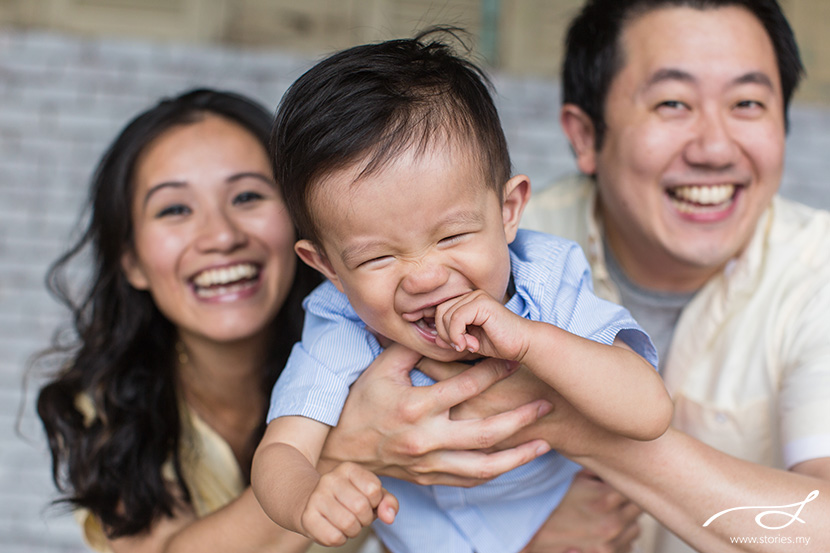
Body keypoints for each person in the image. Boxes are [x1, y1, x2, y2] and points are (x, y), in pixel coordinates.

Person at [34, 88, 559, 553]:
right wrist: (349, 448)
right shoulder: (103, 405)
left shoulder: (382, 334)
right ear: (131, 259)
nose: (220, 235)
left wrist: (542, 523)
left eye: (247, 196)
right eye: (175, 210)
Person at [251, 31, 671, 553]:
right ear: (327, 267)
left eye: (452, 236)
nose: (424, 276)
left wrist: (530, 341)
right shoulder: (340, 323)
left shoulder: (545, 282)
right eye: (377, 257)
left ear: (508, 210)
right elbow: (281, 453)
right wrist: (306, 497)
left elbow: (648, 411)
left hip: (577, 531)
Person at [510, 0, 830, 551]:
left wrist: (591, 433)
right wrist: (498, 540)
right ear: (585, 135)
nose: (713, 148)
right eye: (673, 103)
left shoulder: (818, 270)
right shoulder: (498, 256)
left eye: (747, 103)